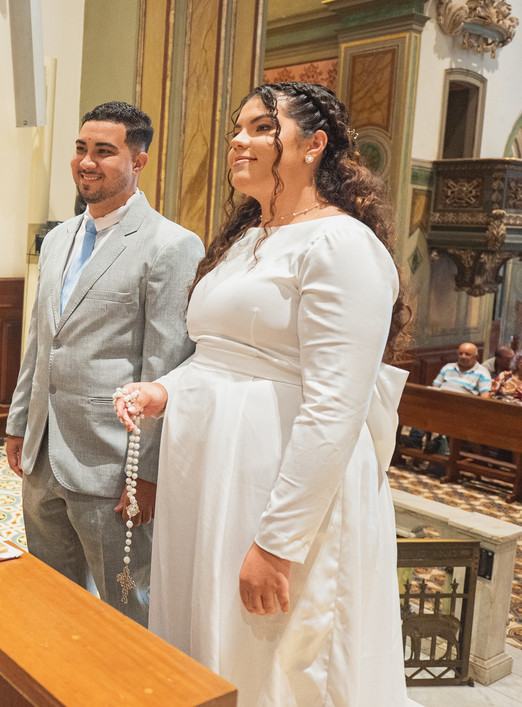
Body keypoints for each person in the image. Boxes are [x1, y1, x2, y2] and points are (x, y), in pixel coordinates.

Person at [117, 82, 408, 705]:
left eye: (261, 129)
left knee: (277, 655)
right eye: (236, 129)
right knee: (207, 631)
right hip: (210, 476)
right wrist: (163, 391)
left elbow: (336, 405)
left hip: (281, 488)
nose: (238, 141)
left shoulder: (342, 245)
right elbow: (219, 358)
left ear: (314, 145)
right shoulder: (248, 240)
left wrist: (279, 541)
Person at [4, 102, 203, 625]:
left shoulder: (171, 246)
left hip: (114, 465)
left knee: (127, 609)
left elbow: (166, 365)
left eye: (104, 152)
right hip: (43, 453)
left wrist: (149, 475)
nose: (86, 162)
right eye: (80, 148)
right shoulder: (58, 240)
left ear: (138, 161)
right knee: (51, 599)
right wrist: (19, 423)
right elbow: (40, 341)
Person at [410, 342, 490, 457]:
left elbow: (485, 397)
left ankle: (440, 448)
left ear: (476, 357)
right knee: (420, 414)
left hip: (462, 412)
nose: (463, 357)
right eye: (460, 353)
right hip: (440, 405)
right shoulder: (448, 367)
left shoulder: (482, 373)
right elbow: (435, 387)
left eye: (467, 354)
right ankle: (415, 448)